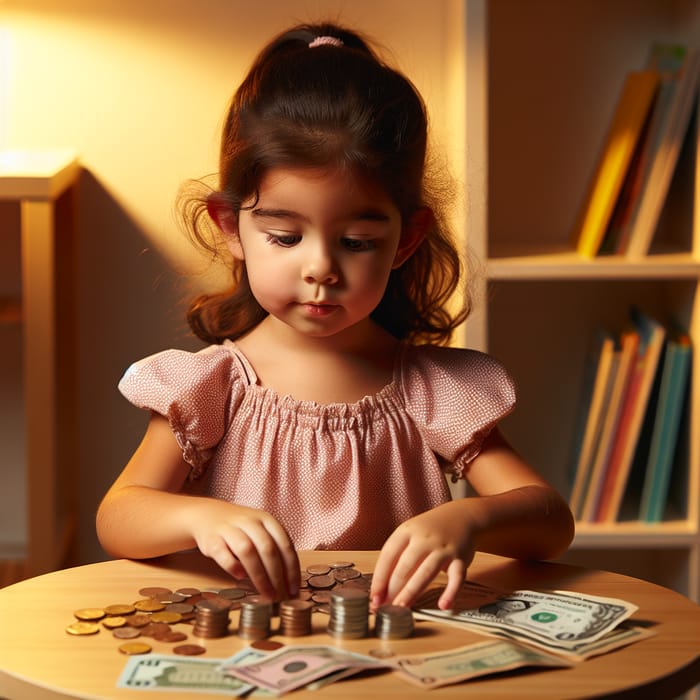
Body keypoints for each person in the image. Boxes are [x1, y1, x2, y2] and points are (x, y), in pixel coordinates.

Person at [96, 22, 574, 612]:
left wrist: (468, 519)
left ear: (405, 240)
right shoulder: (210, 386)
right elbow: (118, 516)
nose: (320, 267)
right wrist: (198, 516)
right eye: (285, 236)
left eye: (355, 242)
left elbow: (551, 522)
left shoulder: (434, 390)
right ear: (230, 228)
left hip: (390, 659)